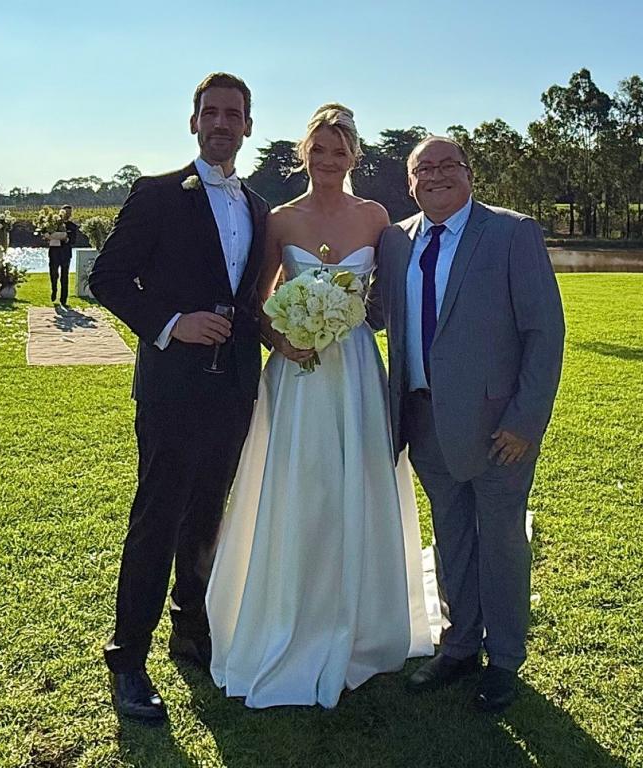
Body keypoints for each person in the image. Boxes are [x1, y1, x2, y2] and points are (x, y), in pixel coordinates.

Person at [206, 104, 433, 710]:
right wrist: (283, 338)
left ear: (354, 156)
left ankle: (361, 621)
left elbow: (387, 300)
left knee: (355, 481)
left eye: (339, 151)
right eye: (319, 149)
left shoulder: (376, 217)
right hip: (299, 373)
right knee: (302, 485)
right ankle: (293, 613)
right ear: (303, 154)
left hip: (355, 369)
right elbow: (257, 302)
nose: (328, 160)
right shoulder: (279, 220)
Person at [89, 72, 270, 725]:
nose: (222, 123)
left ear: (247, 126)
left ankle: (190, 631)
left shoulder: (257, 207)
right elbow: (106, 278)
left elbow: (249, 298)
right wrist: (171, 324)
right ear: (194, 122)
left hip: (235, 387)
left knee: (207, 516)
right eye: (211, 112)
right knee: (157, 519)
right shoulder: (158, 194)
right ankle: (127, 660)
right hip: (172, 388)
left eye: (233, 114)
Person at [367, 135, 564, 712]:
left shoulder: (511, 232)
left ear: (469, 173)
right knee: (451, 536)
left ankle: (503, 658)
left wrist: (526, 420)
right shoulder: (394, 242)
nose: (435, 175)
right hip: (422, 418)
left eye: (447, 164)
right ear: (410, 183)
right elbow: (375, 312)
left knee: (500, 541)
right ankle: (458, 646)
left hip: (499, 429)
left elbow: (544, 331)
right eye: (422, 168)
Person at [48, 204, 81, 306]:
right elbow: (47, 235)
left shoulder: (72, 226)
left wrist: (67, 239)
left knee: (64, 276)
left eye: (69, 213)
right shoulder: (53, 224)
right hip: (54, 253)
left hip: (65, 253)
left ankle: (63, 299)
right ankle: (54, 290)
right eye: (66, 212)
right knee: (54, 274)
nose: (68, 214)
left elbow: (73, 241)